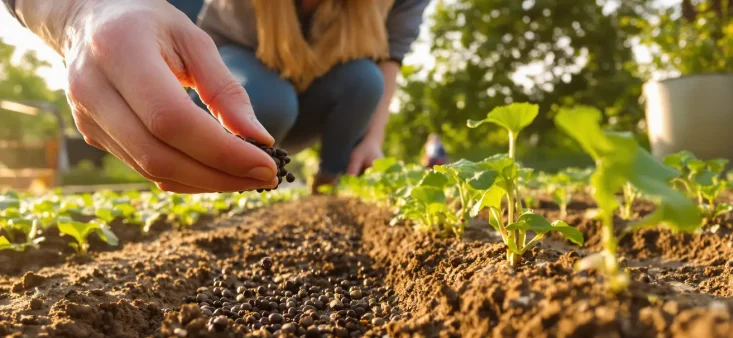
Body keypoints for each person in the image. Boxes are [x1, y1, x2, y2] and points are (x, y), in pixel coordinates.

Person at [3, 0, 430, 194]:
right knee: (274, 101)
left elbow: (389, 59)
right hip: (248, 80)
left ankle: (329, 184)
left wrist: (372, 139)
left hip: (324, 95)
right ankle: (235, 169)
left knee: (365, 80)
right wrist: (78, 13)